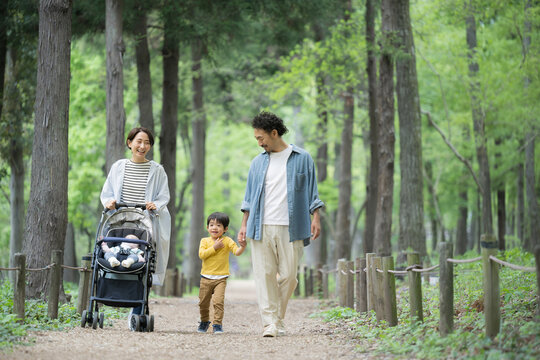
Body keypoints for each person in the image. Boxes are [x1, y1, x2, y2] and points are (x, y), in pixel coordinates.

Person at [238, 111, 324, 337]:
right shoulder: (257, 162)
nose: (259, 142)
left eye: (260, 138)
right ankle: (270, 323)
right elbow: (248, 197)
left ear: (274, 133)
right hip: (260, 225)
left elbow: (312, 191)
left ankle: (276, 318)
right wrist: (244, 224)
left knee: (289, 277)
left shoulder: (302, 157)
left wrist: (316, 216)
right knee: (264, 276)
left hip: (292, 227)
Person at [100, 127, 171, 330]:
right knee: (117, 259)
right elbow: (107, 192)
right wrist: (109, 202)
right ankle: (115, 297)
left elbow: (163, 195)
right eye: (138, 141)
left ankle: (137, 309)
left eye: (147, 142)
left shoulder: (157, 170)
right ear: (129, 142)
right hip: (120, 222)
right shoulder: (119, 166)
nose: (143, 146)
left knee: (144, 262)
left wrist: (155, 204)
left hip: (146, 222)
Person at [198, 212, 246, 334]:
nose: (214, 228)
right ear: (207, 227)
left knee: (218, 302)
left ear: (225, 229)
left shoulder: (227, 241)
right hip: (205, 277)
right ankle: (204, 321)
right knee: (203, 302)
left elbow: (237, 252)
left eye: (218, 225)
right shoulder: (204, 241)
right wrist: (214, 247)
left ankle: (217, 324)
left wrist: (243, 247)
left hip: (221, 278)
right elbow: (202, 255)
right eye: (212, 225)